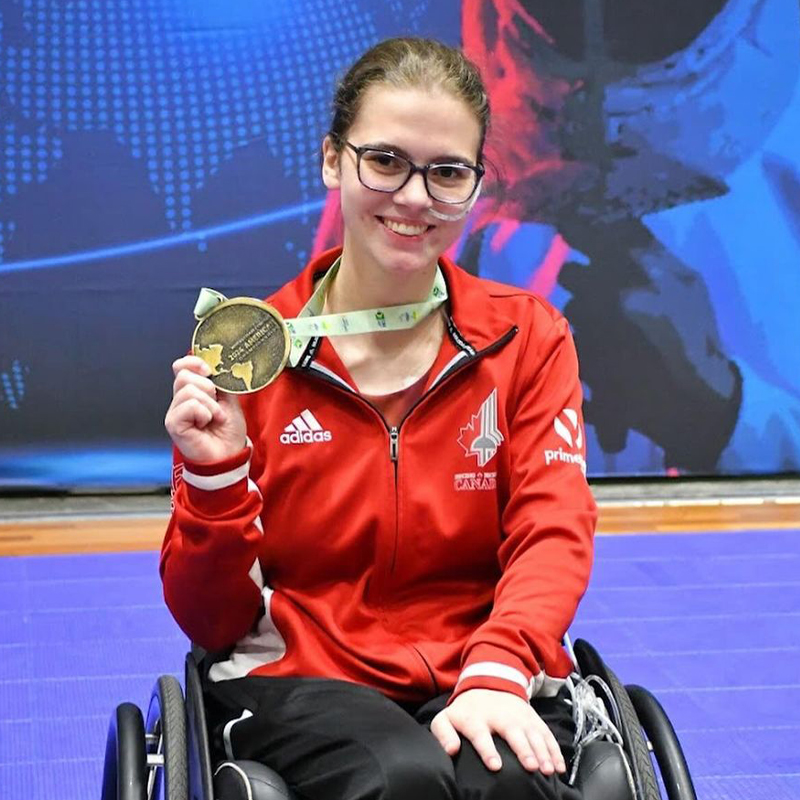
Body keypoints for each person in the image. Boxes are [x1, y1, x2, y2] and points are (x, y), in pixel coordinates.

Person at [162, 37, 596, 800]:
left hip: (481, 662)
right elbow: (212, 620)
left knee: (510, 781)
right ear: (334, 160)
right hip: (302, 677)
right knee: (399, 777)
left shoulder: (527, 337)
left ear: (475, 185)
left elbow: (553, 528)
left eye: (447, 172)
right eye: (385, 161)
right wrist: (215, 474)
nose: (415, 197)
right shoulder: (248, 356)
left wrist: (500, 668)